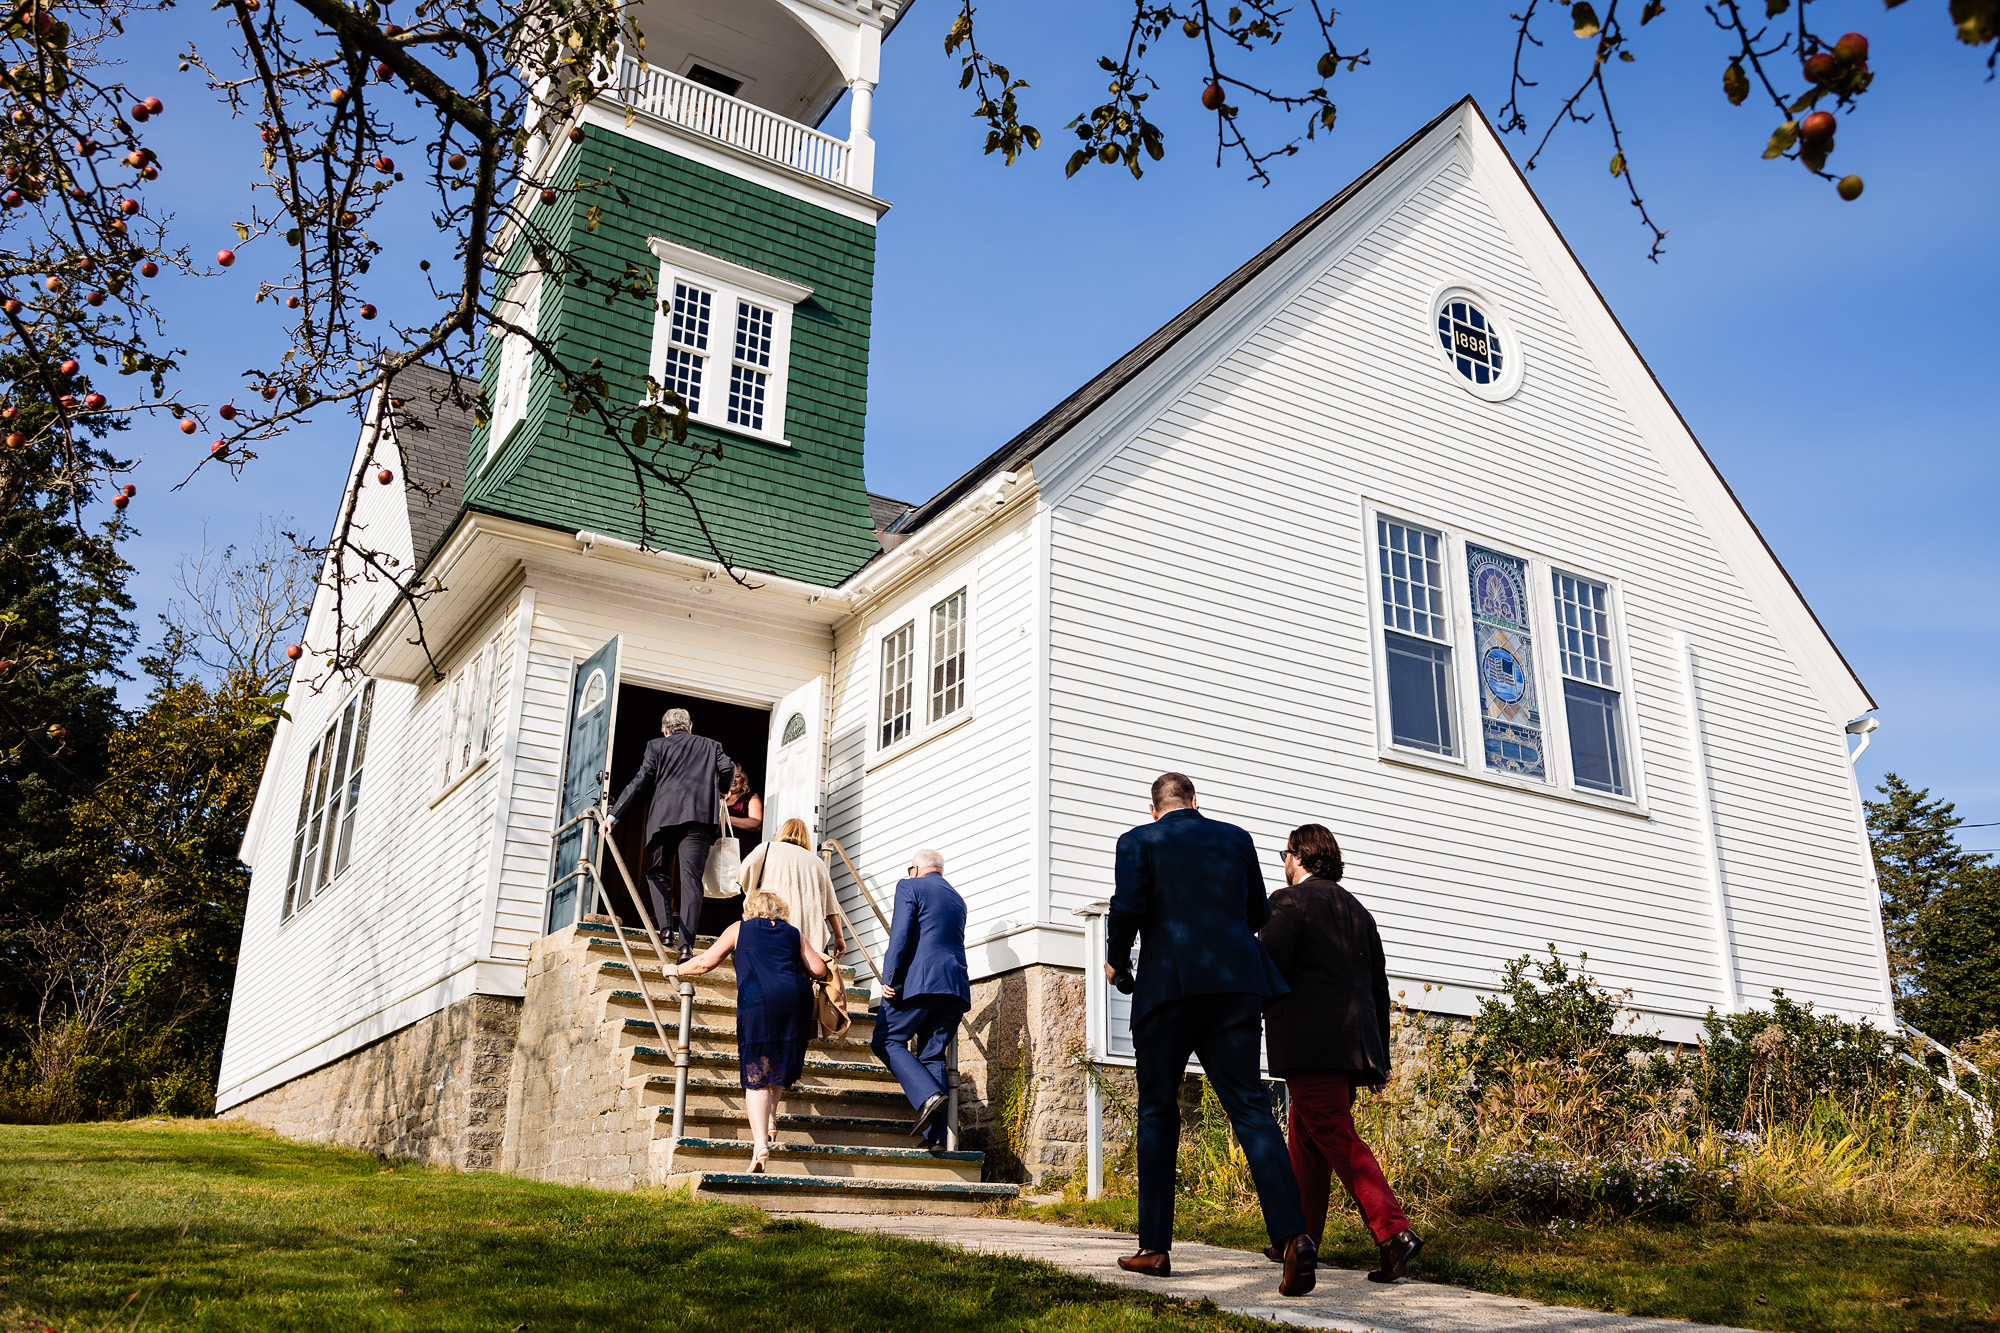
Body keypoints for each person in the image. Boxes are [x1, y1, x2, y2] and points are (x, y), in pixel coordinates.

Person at [1107, 773, 1317, 1297]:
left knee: (1157, 1111)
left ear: (1154, 809)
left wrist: (1116, 960)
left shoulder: (1137, 841)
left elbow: (1128, 906)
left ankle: (1154, 1249)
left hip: (1168, 990)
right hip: (1234, 986)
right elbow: (1256, 914)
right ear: (1196, 802)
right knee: (1249, 1107)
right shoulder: (1236, 837)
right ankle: (1293, 1237)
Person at [1259, 824, 1424, 1283]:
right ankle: (1296, 1239)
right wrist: (1382, 1056)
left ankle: (1393, 1232)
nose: (1284, 864)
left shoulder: (1288, 902)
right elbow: (1378, 988)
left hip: (1310, 1046)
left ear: (1298, 856)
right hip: (1353, 1048)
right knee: (1307, 1139)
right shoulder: (1359, 912)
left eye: (1284, 855)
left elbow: (1265, 962)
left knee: (1334, 1136)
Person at [670, 890, 828, 1173]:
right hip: (795, 1001)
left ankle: (759, 1145)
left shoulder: (739, 929)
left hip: (759, 1001)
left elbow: (706, 962)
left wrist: (676, 970)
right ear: (780, 910)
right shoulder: (793, 932)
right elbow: (817, 969)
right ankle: (771, 1118)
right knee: (778, 1063)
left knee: (756, 1072)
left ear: (750, 909)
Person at [605, 707, 735, 961]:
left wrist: (613, 815)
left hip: (664, 819)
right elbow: (728, 767)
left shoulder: (656, 746)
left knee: (657, 872)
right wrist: (722, 790)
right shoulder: (711, 745)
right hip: (698, 820)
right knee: (691, 881)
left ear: (665, 731)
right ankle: (686, 947)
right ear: (690, 727)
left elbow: (640, 781)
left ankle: (665, 930)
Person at [871, 848, 969, 1151]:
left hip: (921, 982)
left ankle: (927, 1095)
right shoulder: (957, 898)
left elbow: (899, 935)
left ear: (915, 868)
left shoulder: (909, 885)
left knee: (886, 1039)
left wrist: (889, 977)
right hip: (954, 987)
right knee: (931, 1055)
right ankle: (936, 1138)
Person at [736, 817, 846, 957]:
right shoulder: (817, 862)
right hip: (807, 932)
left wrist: (754, 892)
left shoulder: (767, 848)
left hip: (772, 923)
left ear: (782, 832)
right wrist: (839, 936)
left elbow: (743, 873)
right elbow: (832, 907)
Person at [726, 767, 764, 855]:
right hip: (716, 849)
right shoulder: (716, 798)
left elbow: (756, 823)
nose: (733, 779)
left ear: (743, 779)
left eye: (737, 776)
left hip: (742, 850)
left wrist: (727, 819)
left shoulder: (750, 797)